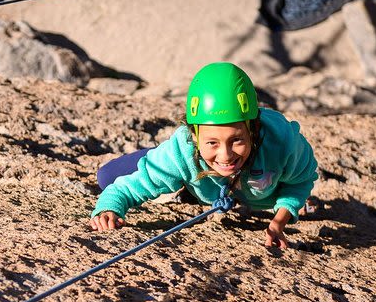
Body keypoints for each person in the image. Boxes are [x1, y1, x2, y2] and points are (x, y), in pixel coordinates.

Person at [89, 62, 319, 249]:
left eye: (236, 140)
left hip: (248, 193)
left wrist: (281, 218)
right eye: (212, 142)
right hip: (193, 172)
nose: (226, 154)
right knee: (107, 177)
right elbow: (127, 188)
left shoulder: (282, 143)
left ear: (253, 130)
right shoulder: (184, 151)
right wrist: (110, 207)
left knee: (283, 192)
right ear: (195, 136)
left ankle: (187, 185)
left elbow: (301, 181)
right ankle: (174, 174)